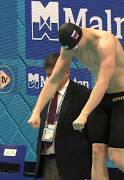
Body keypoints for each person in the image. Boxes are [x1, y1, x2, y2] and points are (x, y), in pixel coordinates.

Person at [28, 23, 124, 180]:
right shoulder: (69, 48)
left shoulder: (105, 42)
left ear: (80, 36)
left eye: (75, 47)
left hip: (122, 97)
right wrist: (36, 111)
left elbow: (103, 82)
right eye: (70, 48)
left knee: (116, 157)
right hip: (101, 97)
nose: (74, 51)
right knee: (97, 152)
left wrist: (84, 113)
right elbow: (53, 80)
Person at [31, 52, 92, 180]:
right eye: (48, 75)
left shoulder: (83, 95)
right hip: (48, 156)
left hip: (72, 162)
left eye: (55, 75)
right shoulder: (44, 95)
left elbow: (91, 132)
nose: (51, 79)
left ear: (66, 72)